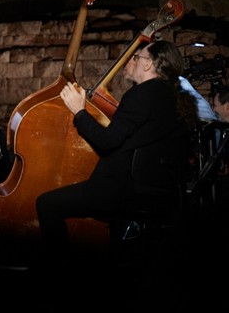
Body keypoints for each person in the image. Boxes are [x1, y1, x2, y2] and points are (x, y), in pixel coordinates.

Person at [35, 40, 199, 270]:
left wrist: (79, 111)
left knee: (46, 204)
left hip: (127, 190)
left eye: (136, 57)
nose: (130, 61)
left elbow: (106, 143)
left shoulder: (141, 94)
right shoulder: (176, 98)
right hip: (161, 192)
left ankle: (61, 277)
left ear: (148, 64)